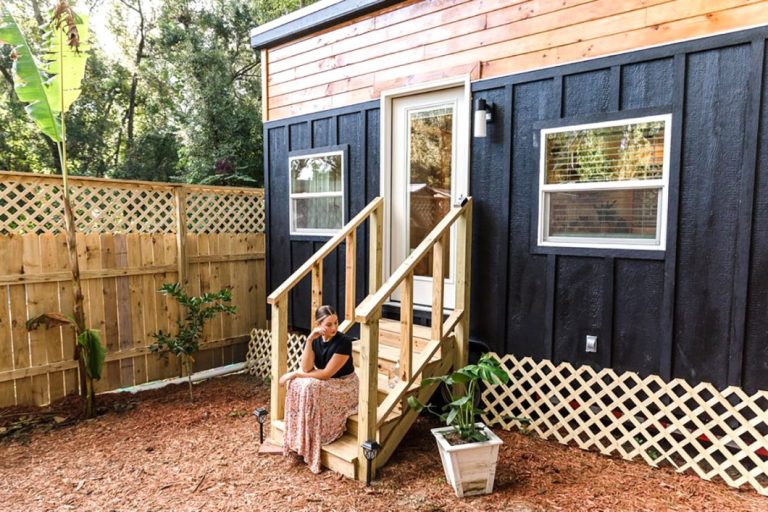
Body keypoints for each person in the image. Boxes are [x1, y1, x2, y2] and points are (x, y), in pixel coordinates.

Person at [279, 305, 359, 473]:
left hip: (344, 385)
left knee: (307, 384)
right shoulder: (315, 340)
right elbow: (307, 368)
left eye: (336, 323)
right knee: (299, 384)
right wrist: (309, 340)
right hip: (327, 382)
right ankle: (300, 436)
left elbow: (326, 374)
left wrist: (295, 373)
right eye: (329, 324)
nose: (334, 328)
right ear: (319, 324)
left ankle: (316, 436)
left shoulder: (343, 342)